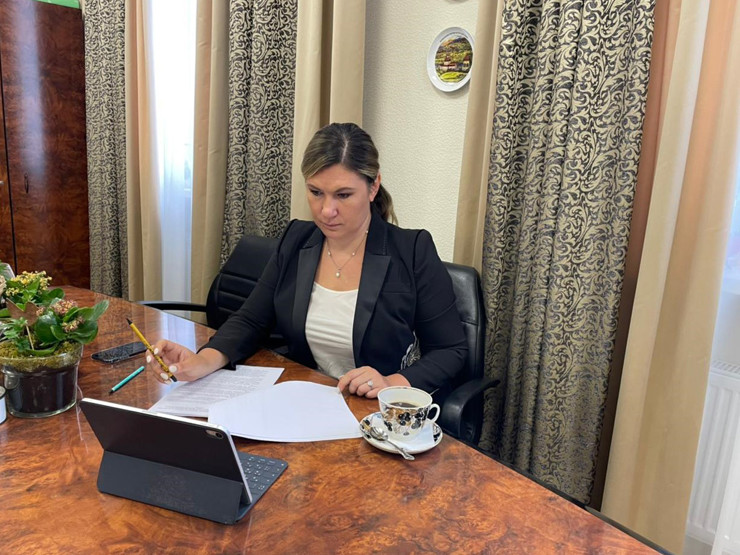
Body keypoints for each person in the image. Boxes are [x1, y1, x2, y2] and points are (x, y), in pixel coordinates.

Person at [145, 122, 467, 398]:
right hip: (307, 398)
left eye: (343, 195)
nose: (326, 211)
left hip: (376, 411)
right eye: (315, 192)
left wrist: (390, 383)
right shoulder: (297, 239)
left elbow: (450, 350)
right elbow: (252, 319)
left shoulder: (412, 250)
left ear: (373, 187)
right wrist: (203, 361)